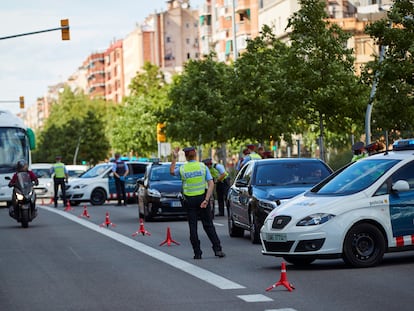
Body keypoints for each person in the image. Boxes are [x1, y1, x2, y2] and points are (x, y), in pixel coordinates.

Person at [170, 146, 225, 259]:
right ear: (195, 154)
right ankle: (217, 249)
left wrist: (174, 158)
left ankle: (197, 253)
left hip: (189, 201)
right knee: (209, 225)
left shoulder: (183, 169)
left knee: (193, 227)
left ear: (185, 156)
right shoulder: (202, 167)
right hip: (202, 199)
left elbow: (171, 172)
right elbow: (211, 184)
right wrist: (206, 199)